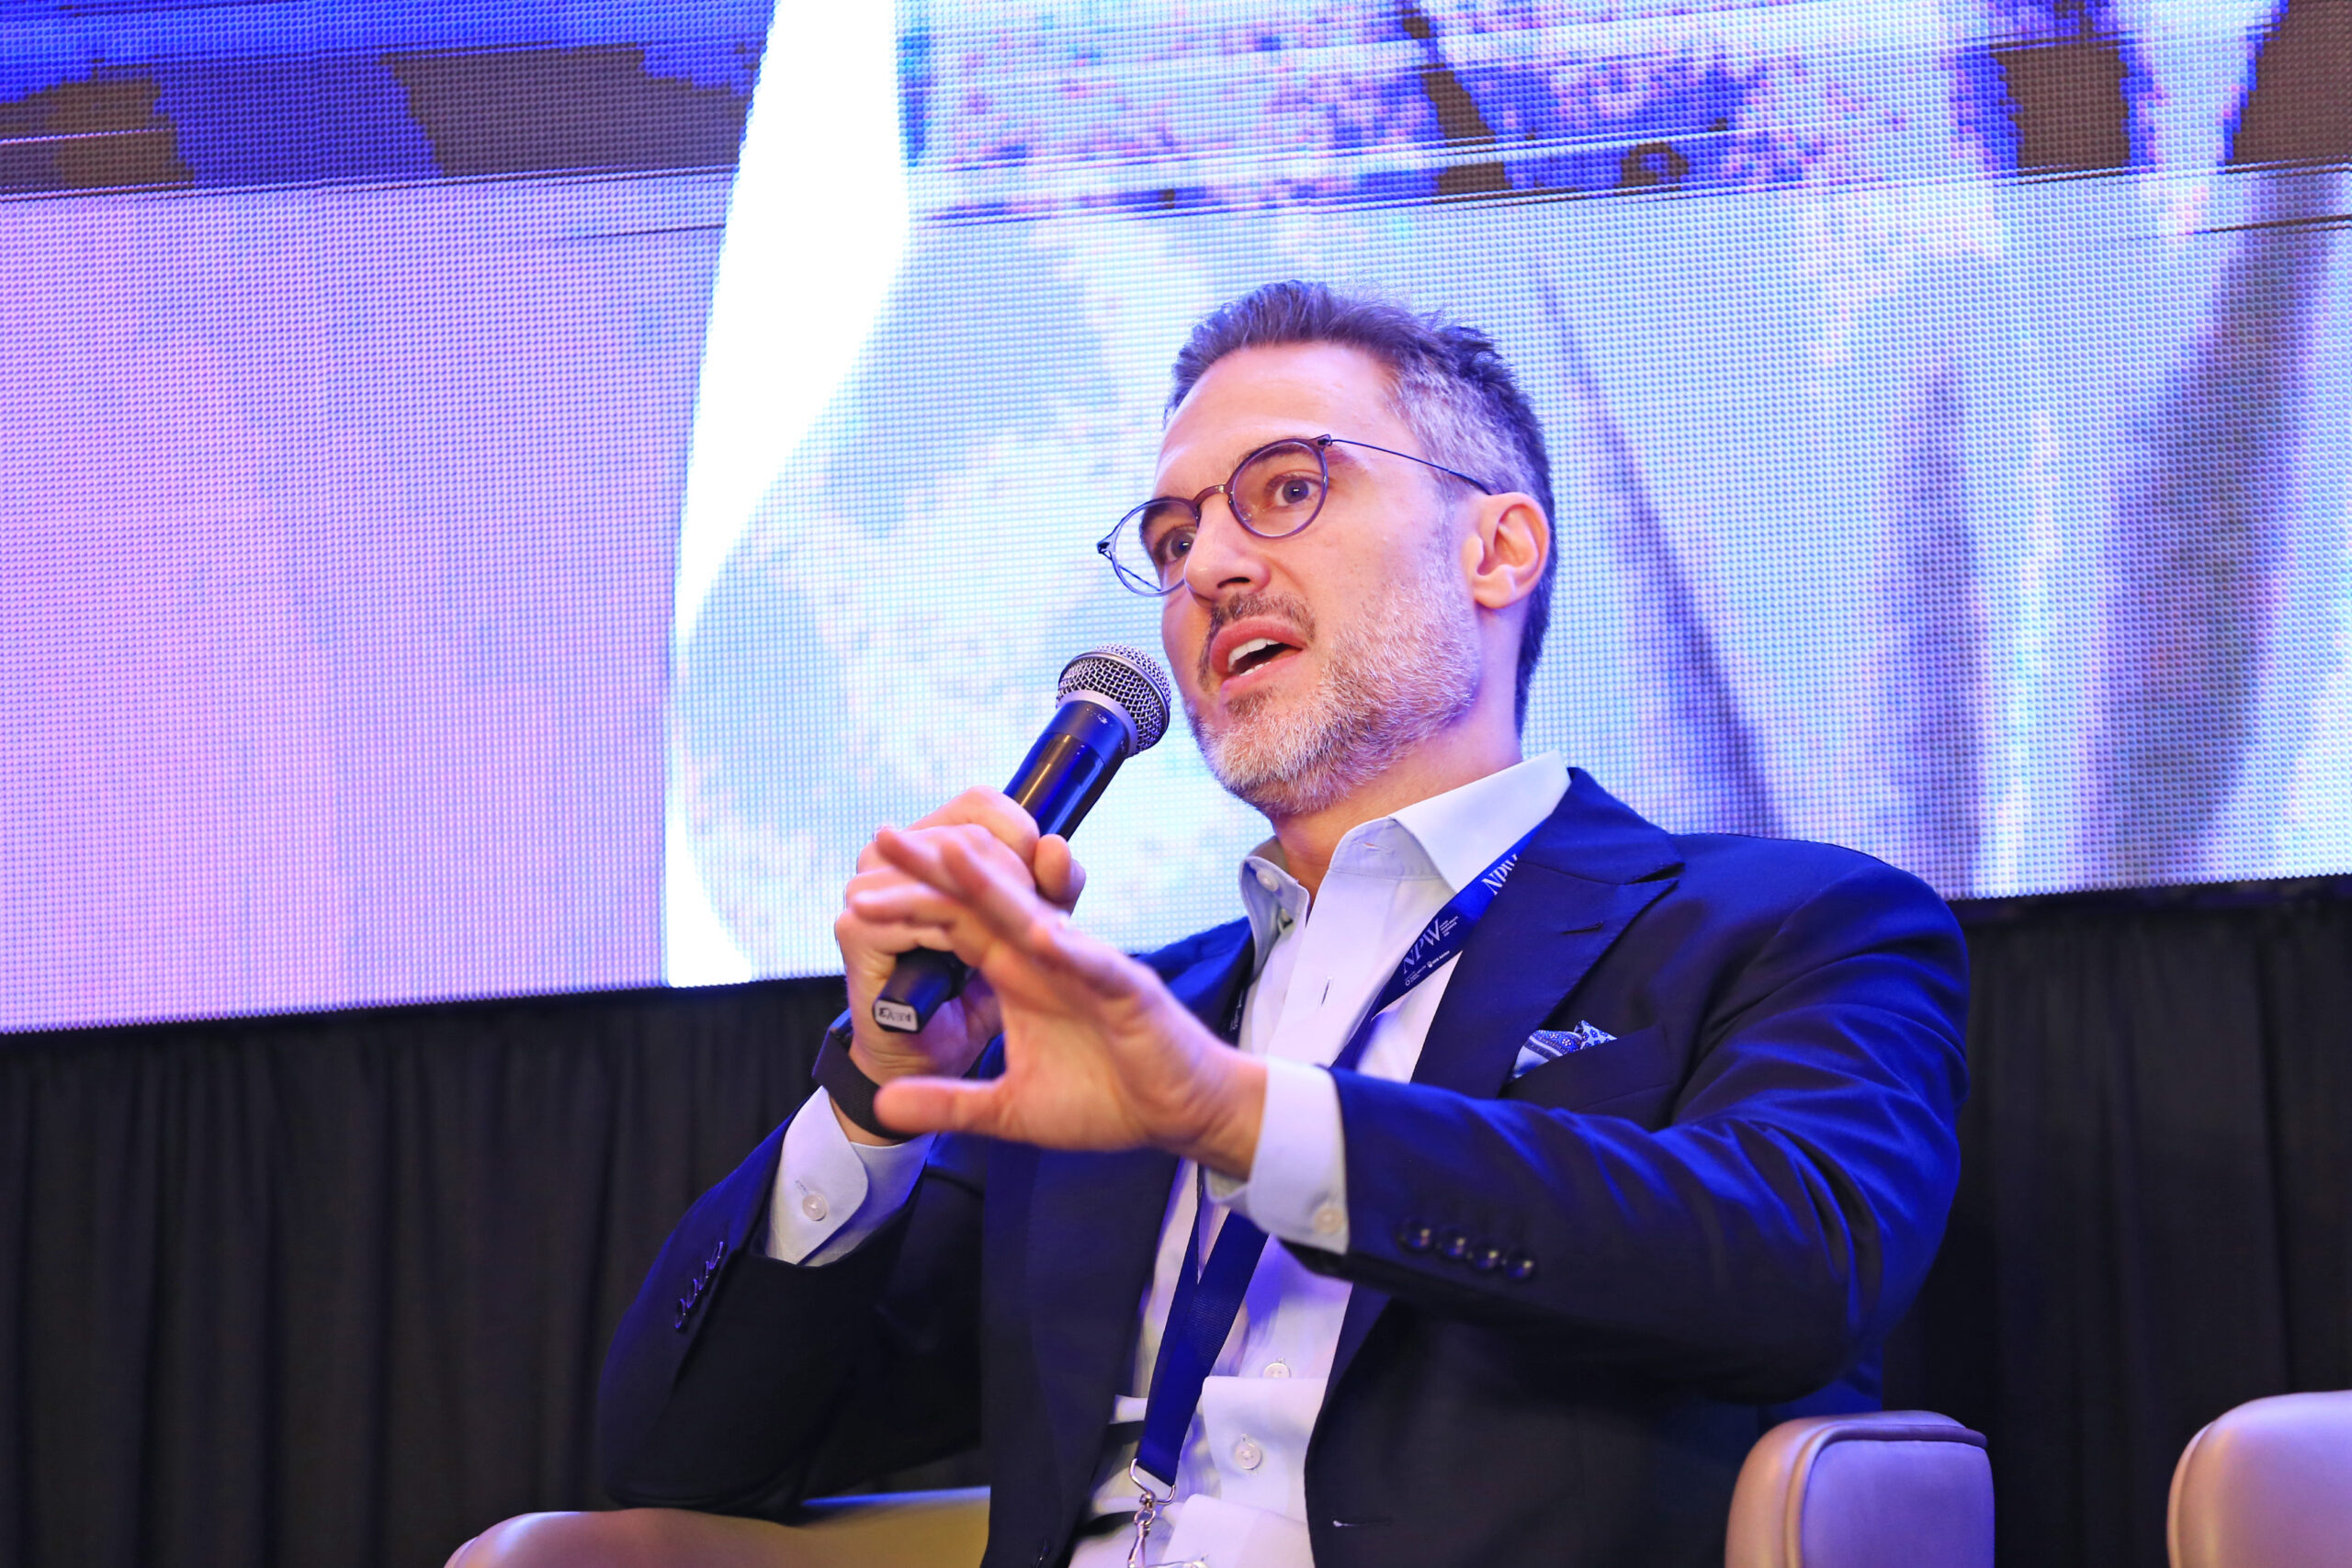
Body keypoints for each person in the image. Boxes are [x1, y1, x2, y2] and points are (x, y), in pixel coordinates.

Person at [597, 282, 1968, 1568]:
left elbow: (1798, 1269)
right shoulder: (1114, 1034)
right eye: (1173, 539)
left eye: (1288, 491)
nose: (1207, 569)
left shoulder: (1789, 927)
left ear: (1497, 550)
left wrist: (1243, 1121)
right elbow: (682, 1462)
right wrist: (874, 1094)